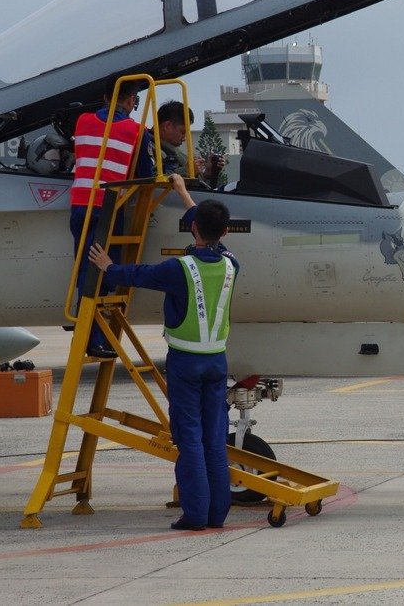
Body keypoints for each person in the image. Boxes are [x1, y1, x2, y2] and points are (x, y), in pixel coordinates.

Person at [88, 175, 239, 531]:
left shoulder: (179, 269)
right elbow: (204, 225)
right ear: (224, 232)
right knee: (215, 441)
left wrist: (108, 267)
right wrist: (185, 194)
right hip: (217, 361)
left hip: (186, 363)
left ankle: (196, 515)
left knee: (189, 440)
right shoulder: (232, 264)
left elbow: (139, 275)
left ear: (194, 229)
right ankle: (217, 515)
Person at [70, 76, 152, 357]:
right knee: (101, 273)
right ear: (130, 100)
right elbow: (145, 174)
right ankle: (91, 339)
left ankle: (85, 328)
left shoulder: (82, 121)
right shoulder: (136, 130)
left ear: (105, 98)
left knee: (84, 269)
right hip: (106, 207)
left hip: (80, 203)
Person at [149, 101, 226, 181]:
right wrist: (187, 171)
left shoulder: (172, 151)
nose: (184, 138)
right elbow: (153, 181)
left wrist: (207, 172)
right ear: (167, 126)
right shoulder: (148, 148)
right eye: (182, 132)